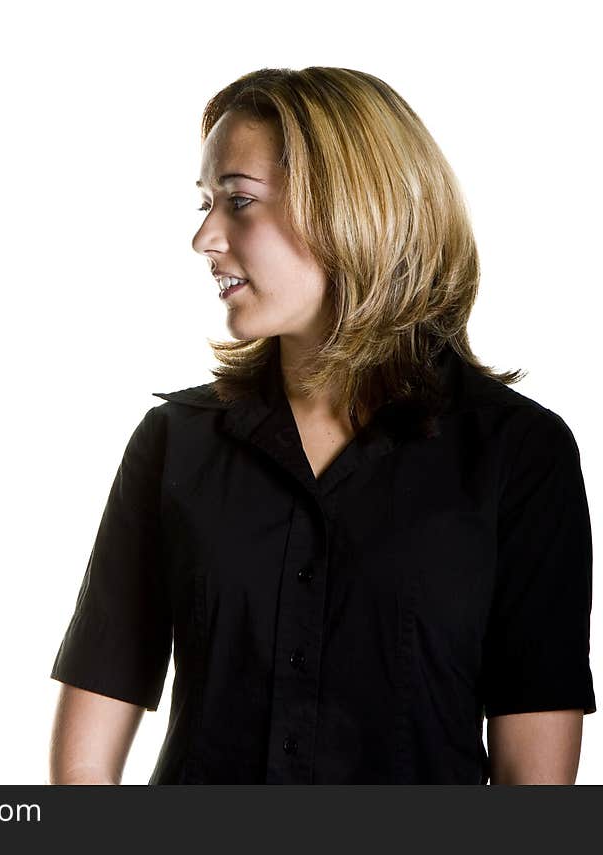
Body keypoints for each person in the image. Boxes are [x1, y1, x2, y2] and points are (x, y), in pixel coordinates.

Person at [47, 66, 596, 785]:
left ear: (349, 209)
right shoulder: (173, 444)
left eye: (238, 200)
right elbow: (85, 760)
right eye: (206, 202)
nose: (204, 237)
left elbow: (537, 780)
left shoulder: (520, 455)